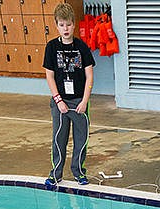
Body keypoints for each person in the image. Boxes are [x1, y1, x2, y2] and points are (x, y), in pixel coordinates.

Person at [43, 3, 95, 186]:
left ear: (74, 25)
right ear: (56, 26)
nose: (66, 29)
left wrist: (85, 101)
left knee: (81, 139)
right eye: (62, 25)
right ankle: (56, 173)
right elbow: (49, 76)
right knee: (59, 138)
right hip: (61, 102)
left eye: (69, 24)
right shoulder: (51, 47)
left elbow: (89, 76)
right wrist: (58, 101)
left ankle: (79, 172)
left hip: (79, 102)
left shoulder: (82, 47)